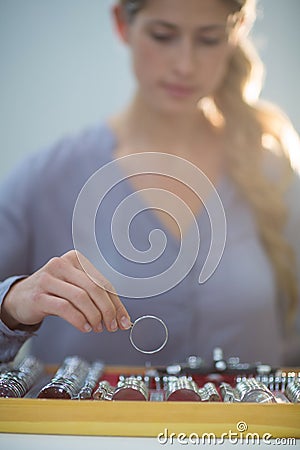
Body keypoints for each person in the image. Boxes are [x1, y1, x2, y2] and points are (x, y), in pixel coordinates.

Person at [0, 0, 299, 367]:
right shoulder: (47, 179)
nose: (185, 65)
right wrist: (10, 306)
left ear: (237, 34)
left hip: (251, 427)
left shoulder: (275, 175)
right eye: (162, 36)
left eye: (208, 39)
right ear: (122, 24)